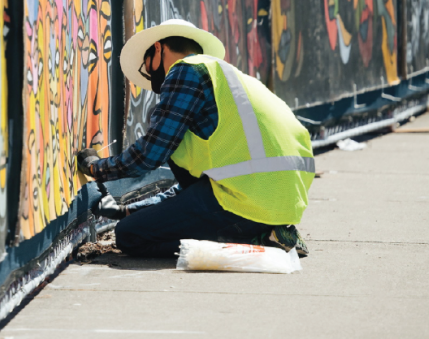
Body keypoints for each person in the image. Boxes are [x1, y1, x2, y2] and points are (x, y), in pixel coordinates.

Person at [75, 19, 314, 257]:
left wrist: (96, 167)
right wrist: (128, 209)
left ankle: (257, 241)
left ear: (158, 48)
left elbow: (149, 155)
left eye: (146, 66)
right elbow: (199, 188)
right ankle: (273, 233)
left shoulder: (185, 71)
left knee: (130, 235)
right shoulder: (228, 78)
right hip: (282, 200)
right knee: (133, 223)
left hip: (246, 200)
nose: (149, 76)